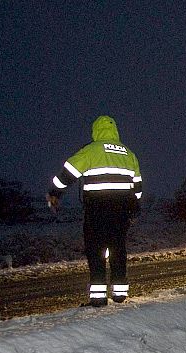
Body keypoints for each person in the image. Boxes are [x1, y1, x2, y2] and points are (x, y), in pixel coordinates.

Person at [47, 115, 142, 307]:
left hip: (97, 211)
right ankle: (120, 295)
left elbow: (68, 173)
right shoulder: (129, 154)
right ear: (115, 131)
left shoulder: (91, 151)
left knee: (96, 251)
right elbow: (137, 187)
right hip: (122, 212)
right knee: (118, 250)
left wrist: (54, 193)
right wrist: (134, 210)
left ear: (95, 131)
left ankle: (98, 298)